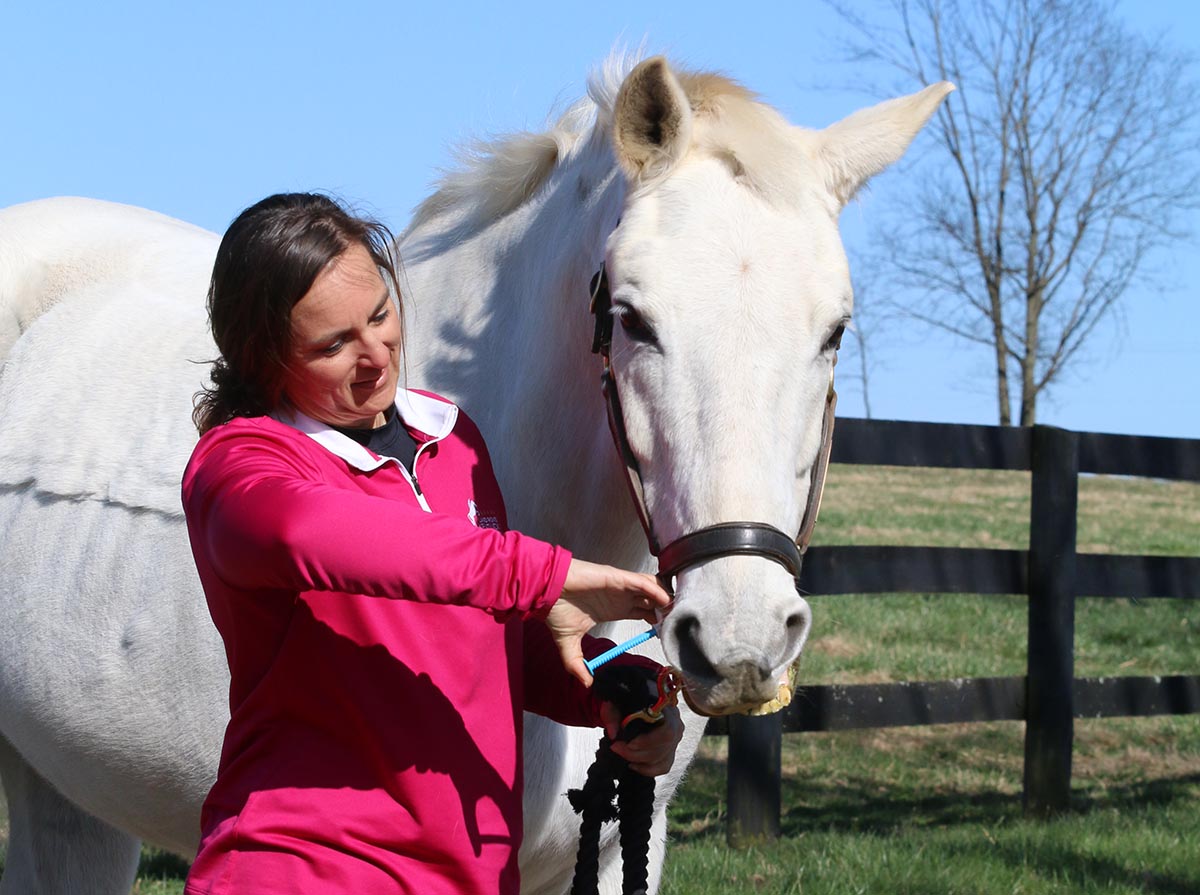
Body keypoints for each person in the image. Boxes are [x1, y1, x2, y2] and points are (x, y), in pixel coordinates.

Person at [181, 192, 681, 895]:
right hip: (305, 870)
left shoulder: (450, 440)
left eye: (381, 313)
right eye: (332, 345)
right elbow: (340, 538)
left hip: (468, 876)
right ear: (262, 360)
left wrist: (612, 686)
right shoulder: (243, 468)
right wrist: (549, 574)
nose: (376, 355)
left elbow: (480, 638)